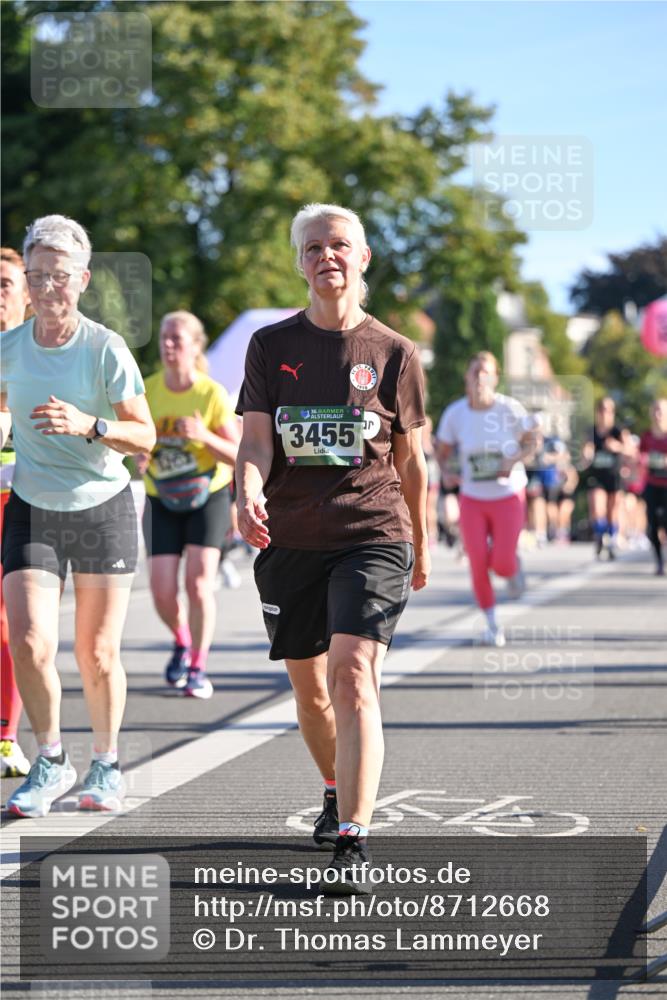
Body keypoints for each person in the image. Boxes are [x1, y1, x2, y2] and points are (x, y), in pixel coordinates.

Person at [235, 203, 429, 893]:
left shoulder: (394, 353)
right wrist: (245, 489)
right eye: (313, 247)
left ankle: (353, 836)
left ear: (363, 258)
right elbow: (255, 442)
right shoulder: (268, 346)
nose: (327, 257)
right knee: (310, 691)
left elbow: (411, 464)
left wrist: (421, 544)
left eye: (339, 245)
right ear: (299, 262)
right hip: (290, 535)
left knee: (352, 674)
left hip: (371, 533)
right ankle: (330, 785)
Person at [0, 215, 155, 817]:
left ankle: (108, 763)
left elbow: (143, 436)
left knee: (95, 652)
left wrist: (90, 425)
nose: (45, 290)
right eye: (35, 277)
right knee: (33, 640)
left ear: (82, 280)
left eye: (57, 277)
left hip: (101, 508)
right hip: (34, 507)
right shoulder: (9, 348)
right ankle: (51, 759)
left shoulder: (104, 348)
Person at [136, 311, 239, 699]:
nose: (168, 345)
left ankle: (197, 665)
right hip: (160, 495)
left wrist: (203, 436)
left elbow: (237, 453)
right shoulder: (147, 390)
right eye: (164, 337)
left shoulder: (209, 394)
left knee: (197, 583)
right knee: (162, 590)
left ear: (196, 346)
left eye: (177, 339)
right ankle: (181, 640)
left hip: (206, 496)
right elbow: (134, 439)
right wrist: (139, 455)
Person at [436, 352, 536, 647]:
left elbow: (532, 440)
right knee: (478, 562)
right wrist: (447, 473)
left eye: (486, 372)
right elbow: (442, 453)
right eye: (475, 371)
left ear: (495, 378)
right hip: (472, 498)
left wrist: (513, 460)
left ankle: (512, 564)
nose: (480, 377)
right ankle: (492, 625)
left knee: (502, 564)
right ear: (467, 377)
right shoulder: (455, 413)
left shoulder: (509, 408)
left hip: (508, 495)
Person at [0, 248, 33, 778]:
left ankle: (6, 738)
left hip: (24, 502)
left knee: (12, 625)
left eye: (6, 284)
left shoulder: (44, 353)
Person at [581, 397, 627, 559]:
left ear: (613, 413)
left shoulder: (618, 431)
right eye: (601, 410)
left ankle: (611, 539)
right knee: (597, 506)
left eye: (608, 410)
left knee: (612, 511)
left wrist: (618, 447)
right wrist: (586, 455)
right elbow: (585, 453)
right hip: (597, 476)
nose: (604, 414)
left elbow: (631, 451)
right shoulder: (591, 432)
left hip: (614, 476)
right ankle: (600, 537)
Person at [639, 398, 667, 575]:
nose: (658, 414)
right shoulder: (646, 436)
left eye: (661, 411)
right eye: (655, 410)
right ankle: (659, 562)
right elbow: (639, 457)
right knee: (652, 526)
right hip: (651, 484)